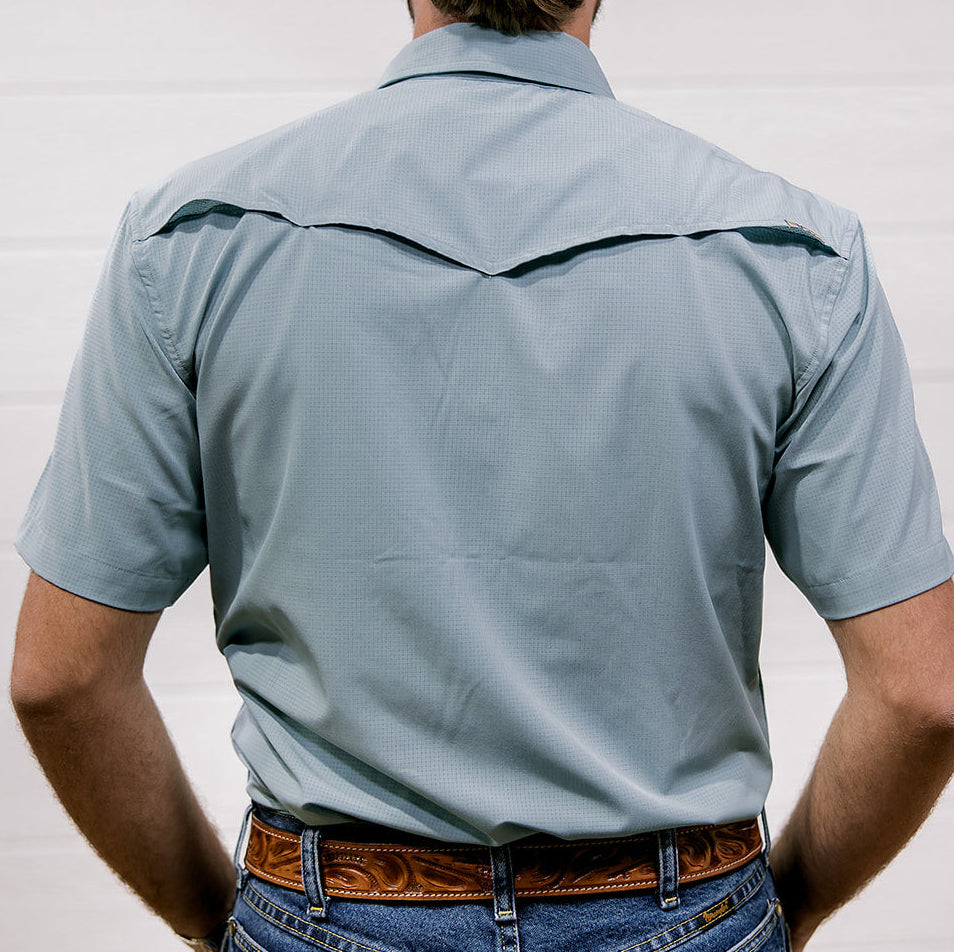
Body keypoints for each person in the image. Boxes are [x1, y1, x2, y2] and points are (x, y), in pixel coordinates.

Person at [9, 1, 954, 950]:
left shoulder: (191, 242)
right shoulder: (797, 256)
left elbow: (62, 676)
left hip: (326, 907)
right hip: (691, 907)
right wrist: (774, 908)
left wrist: (225, 921)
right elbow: (921, 693)